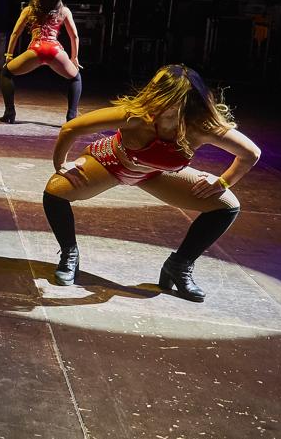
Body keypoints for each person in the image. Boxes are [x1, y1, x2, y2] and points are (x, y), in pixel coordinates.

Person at [42, 65, 260, 301]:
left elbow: (251, 153)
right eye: (163, 100)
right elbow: (71, 128)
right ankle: (69, 253)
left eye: (176, 102)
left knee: (226, 206)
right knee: (55, 190)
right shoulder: (134, 116)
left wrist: (223, 182)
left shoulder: (200, 127)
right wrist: (61, 165)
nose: (167, 109)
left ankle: (179, 265)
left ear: (190, 102)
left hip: (156, 174)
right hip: (110, 162)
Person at [0, 0, 83, 123]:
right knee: (76, 78)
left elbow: (16, 33)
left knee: (6, 73)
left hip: (35, 51)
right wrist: (74, 58)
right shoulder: (64, 11)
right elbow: (74, 36)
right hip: (55, 51)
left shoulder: (29, 10)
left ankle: (9, 113)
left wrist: (9, 56)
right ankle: (71, 117)